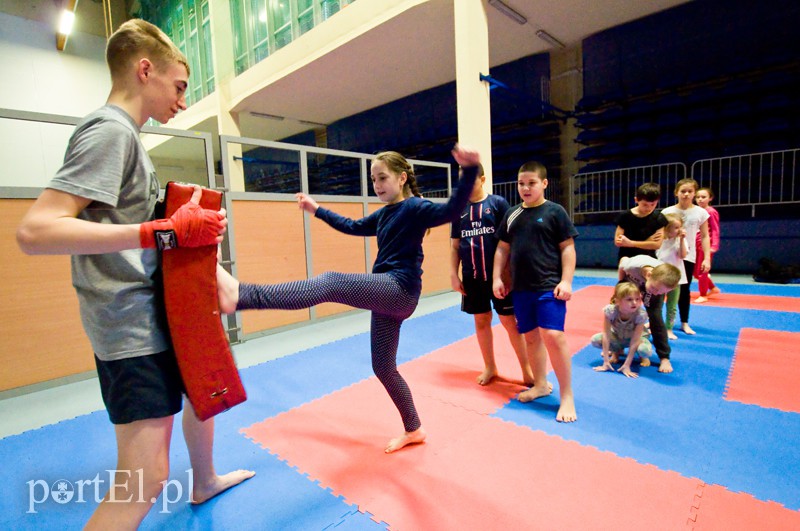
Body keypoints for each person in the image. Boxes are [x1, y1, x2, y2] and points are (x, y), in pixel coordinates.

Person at [15, 19, 254, 529]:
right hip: (128, 327)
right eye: (179, 86)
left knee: (201, 387)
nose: (182, 102)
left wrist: (195, 250)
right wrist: (160, 230)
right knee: (144, 480)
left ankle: (205, 479)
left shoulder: (128, 137)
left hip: (152, 311)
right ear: (145, 70)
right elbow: (36, 231)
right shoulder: (109, 132)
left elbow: (145, 229)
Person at [216, 145, 481, 453]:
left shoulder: (414, 208)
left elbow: (451, 211)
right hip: (389, 294)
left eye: (382, 177)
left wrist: (470, 170)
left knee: (330, 282)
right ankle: (414, 428)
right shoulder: (385, 214)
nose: (377, 185)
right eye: (373, 180)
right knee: (383, 367)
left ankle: (243, 296)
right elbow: (353, 227)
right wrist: (316, 210)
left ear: (402, 177)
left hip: (400, 289)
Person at [492, 161, 579, 423]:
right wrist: (497, 277)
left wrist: (566, 281)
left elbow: (567, 248)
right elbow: (502, 249)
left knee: (553, 335)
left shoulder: (555, 212)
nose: (526, 188)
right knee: (530, 338)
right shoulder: (512, 214)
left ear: (544, 184)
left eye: (531, 183)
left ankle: (567, 395)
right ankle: (540, 384)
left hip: (548, 286)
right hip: (521, 289)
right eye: (521, 183)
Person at [449, 164, 533, 387]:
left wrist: (509, 274)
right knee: (481, 320)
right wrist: (453, 275)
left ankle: (527, 370)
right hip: (472, 278)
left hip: (499, 277)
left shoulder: (497, 204)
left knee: (509, 322)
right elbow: (455, 246)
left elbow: (510, 243)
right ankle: (490, 367)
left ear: (483, 179)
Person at [662, 179, 711, 335]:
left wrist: (707, 258)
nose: (686, 194)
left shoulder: (701, 213)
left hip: (687, 255)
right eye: (683, 191)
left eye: (690, 191)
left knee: (684, 290)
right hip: (668, 255)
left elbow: (704, 236)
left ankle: (684, 322)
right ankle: (657, 321)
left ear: (694, 193)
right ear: (676, 192)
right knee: (660, 288)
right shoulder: (667, 212)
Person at [618, 256, 681, 373]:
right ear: (648, 275)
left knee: (655, 317)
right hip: (632, 280)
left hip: (651, 283)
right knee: (622, 310)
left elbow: (657, 289)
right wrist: (620, 285)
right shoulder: (632, 266)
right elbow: (622, 262)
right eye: (655, 289)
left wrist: (655, 291)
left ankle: (664, 358)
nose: (656, 293)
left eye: (661, 292)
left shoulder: (659, 285)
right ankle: (617, 347)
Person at [592, 281, 652, 378]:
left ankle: (642, 357)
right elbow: (606, 335)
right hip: (618, 337)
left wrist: (627, 365)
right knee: (596, 340)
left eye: (637, 299)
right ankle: (616, 351)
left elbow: (635, 340)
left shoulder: (640, 314)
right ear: (618, 301)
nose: (635, 303)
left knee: (644, 350)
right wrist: (606, 362)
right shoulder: (611, 311)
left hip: (636, 339)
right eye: (629, 299)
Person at [614, 182, 669, 261]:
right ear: (636, 200)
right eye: (645, 205)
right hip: (627, 257)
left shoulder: (659, 218)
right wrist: (647, 242)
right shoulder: (625, 216)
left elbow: (656, 245)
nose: (649, 208)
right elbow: (618, 242)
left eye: (653, 204)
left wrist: (630, 243)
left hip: (648, 257)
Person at [656, 213, 689, 340]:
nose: (679, 230)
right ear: (667, 228)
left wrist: (681, 239)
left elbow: (682, 255)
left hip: (675, 278)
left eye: (680, 227)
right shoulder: (659, 239)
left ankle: (669, 328)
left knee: (672, 305)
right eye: (676, 227)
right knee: (656, 305)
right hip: (659, 277)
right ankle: (656, 324)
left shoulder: (680, 240)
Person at [693, 187, 721, 303]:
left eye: (703, 197)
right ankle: (713, 288)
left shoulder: (711, 212)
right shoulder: (695, 211)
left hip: (705, 245)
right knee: (695, 272)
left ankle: (703, 294)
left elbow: (715, 229)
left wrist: (714, 245)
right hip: (695, 244)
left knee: (702, 271)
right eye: (698, 197)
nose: (700, 199)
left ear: (710, 198)